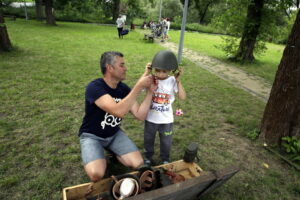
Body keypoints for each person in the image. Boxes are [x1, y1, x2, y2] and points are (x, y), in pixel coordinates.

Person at [79, 51, 157, 182]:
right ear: (109, 68)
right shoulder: (95, 87)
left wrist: (150, 92)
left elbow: (140, 115)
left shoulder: (123, 89)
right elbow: (118, 111)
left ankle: (113, 150)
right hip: (92, 136)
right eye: (122, 65)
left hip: (114, 134)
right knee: (96, 174)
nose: (125, 68)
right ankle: (100, 152)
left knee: (138, 163)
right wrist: (138, 87)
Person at [143, 50, 186, 165]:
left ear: (170, 71)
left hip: (166, 121)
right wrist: (146, 72)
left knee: (166, 141)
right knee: (148, 140)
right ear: (154, 68)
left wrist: (178, 81)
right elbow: (139, 87)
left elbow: (182, 97)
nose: (160, 74)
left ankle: (165, 159)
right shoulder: (151, 79)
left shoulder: (172, 80)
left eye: (164, 71)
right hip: (150, 119)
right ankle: (148, 157)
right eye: (157, 70)